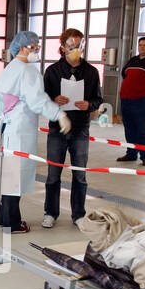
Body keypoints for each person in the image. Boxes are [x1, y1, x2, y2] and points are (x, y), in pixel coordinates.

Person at [0, 31, 70, 233]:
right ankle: (12, 224)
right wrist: (58, 114)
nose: (37, 50)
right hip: (20, 129)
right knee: (15, 176)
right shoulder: (27, 70)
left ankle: (4, 219)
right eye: (34, 47)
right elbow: (37, 101)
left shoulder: (10, 68)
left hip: (8, 128)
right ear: (23, 47)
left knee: (8, 175)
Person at [42, 28, 102, 227]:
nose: (75, 49)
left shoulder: (91, 72)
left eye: (78, 45)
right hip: (57, 129)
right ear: (62, 47)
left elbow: (97, 99)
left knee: (80, 174)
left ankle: (78, 215)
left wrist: (89, 105)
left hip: (80, 128)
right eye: (71, 45)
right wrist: (54, 99)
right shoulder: (52, 71)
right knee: (53, 174)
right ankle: (51, 212)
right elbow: (42, 99)